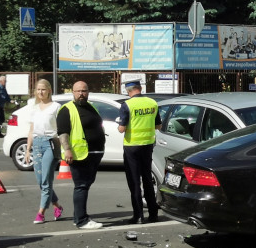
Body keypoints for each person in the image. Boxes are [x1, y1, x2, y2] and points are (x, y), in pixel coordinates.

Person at [56, 80, 105, 229]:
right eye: (78, 91)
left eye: (84, 91)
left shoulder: (91, 107)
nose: (81, 94)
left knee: (85, 185)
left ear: (88, 92)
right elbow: (63, 132)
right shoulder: (67, 109)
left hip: (94, 153)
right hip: (80, 154)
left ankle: (78, 216)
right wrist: (68, 150)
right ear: (73, 92)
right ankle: (82, 220)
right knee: (81, 186)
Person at [116, 79, 160, 224]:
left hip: (132, 147)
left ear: (128, 91)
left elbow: (122, 128)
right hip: (147, 145)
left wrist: (120, 126)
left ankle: (139, 216)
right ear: (140, 88)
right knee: (147, 179)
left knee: (134, 182)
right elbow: (158, 126)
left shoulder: (127, 105)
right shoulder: (152, 103)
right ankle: (153, 214)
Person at [25, 78, 64, 224]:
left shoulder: (56, 107)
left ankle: (41, 213)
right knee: (41, 182)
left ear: (49, 90)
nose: (41, 92)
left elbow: (61, 129)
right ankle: (57, 206)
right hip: (37, 144)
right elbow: (31, 130)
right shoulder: (34, 108)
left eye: (43, 89)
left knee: (46, 180)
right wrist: (28, 150)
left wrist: (64, 148)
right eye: (38, 89)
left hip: (50, 144)